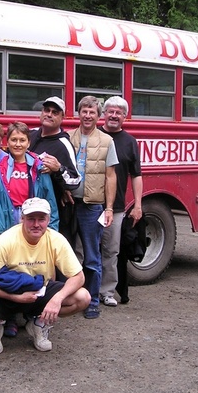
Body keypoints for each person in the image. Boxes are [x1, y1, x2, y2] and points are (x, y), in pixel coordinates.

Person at [0, 197, 90, 355]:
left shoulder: (56, 239)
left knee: (83, 297)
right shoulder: (7, 239)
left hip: (40, 291)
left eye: (41, 219)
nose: (36, 224)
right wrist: (15, 297)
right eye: (31, 219)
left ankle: (39, 325)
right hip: (9, 291)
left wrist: (56, 299)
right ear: (22, 219)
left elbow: (78, 277)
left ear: (48, 219)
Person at [68, 96, 118, 320]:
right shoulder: (68, 137)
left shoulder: (107, 141)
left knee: (91, 256)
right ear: (78, 113)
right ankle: (68, 298)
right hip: (68, 204)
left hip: (92, 207)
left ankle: (92, 301)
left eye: (92, 112)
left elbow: (110, 176)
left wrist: (108, 208)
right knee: (66, 254)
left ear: (99, 116)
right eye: (84, 111)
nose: (88, 116)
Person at [99, 96, 143, 307]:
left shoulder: (130, 142)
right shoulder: (95, 136)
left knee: (111, 250)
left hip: (115, 207)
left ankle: (107, 291)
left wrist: (138, 204)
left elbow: (136, 175)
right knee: (84, 250)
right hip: (90, 204)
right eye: (110, 111)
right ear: (104, 114)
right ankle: (84, 291)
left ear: (125, 116)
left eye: (119, 112)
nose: (114, 115)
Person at [0, 121, 59, 233]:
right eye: (14, 140)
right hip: (8, 217)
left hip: (33, 216)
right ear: (7, 142)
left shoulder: (39, 167)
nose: (18, 144)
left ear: (29, 143)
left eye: (22, 140)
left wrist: (52, 230)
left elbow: (50, 199)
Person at [29, 96, 81, 245]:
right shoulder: (29, 135)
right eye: (46, 110)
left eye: (55, 112)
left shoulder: (63, 144)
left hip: (52, 213)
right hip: (25, 207)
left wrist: (58, 169)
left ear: (62, 117)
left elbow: (75, 180)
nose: (49, 114)